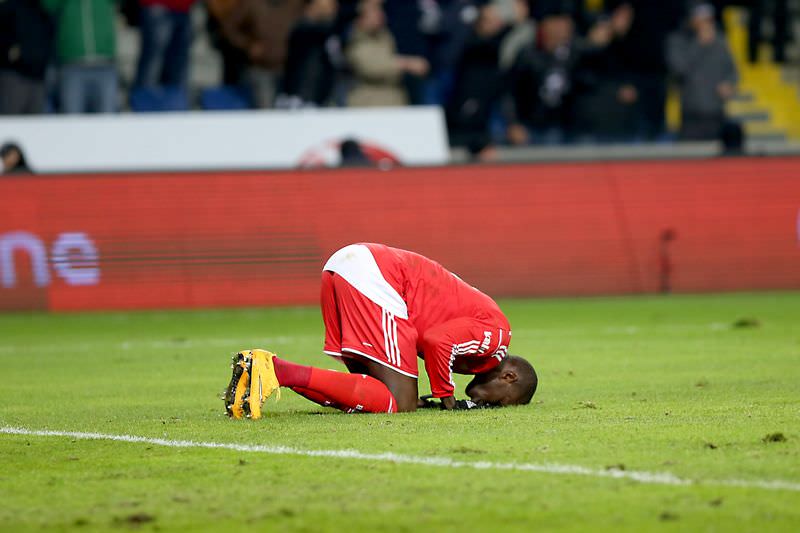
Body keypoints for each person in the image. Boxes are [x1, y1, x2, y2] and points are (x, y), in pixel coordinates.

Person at [223, 243, 538, 417]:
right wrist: (447, 398)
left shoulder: (477, 349)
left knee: (378, 396)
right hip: (379, 277)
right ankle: (275, 369)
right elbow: (437, 341)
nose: (488, 405)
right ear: (509, 377)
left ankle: (263, 372)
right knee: (400, 402)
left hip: (349, 268)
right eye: (501, 403)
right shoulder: (498, 336)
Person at [667, 2, 738, 141]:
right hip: (691, 113)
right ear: (692, 20)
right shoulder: (677, 41)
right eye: (702, 20)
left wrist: (729, 84)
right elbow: (680, 69)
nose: (707, 24)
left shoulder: (720, 42)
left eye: (709, 20)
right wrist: (700, 45)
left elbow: (732, 71)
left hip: (716, 112)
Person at [214, 0, 304, 108]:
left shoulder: (295, 3)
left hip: (291, 70)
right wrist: (247, 44)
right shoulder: (252, 3)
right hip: (260, 70)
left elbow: (311, 17)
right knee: (265, 110)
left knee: (293, 109)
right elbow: (228, 27)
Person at [345, 0, 429, 107]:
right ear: (360, 18)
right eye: (374, 12)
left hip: (395, 99)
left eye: (380, 11)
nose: (380, 15)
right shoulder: (355, 40)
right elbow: (372, 67)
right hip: (369, 103)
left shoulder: (385, 36)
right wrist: (407, 64)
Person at [42, 0, 119, 113]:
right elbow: (47, 5)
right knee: (72, 119)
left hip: (105, 65)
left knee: (108, 119)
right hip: (72, 66)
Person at [277, 0, 341, 108]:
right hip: (301, 99)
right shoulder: (303, 32)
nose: (333, 9)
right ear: (312, 6)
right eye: (328, 5)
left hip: (321, 98)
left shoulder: (329, 33)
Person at [0, 0, 53, 115]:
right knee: (10, 119)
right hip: (14, 75)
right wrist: (9, 51)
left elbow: (49, 37)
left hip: (38, 76)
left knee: (35, 122)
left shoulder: (43, 10)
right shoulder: (9, 7)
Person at [135, 0, 198, 90]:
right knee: (152, 64)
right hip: (157, 6)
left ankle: (176, 97)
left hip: (184, 9)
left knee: (178, 67)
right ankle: (144, 96)